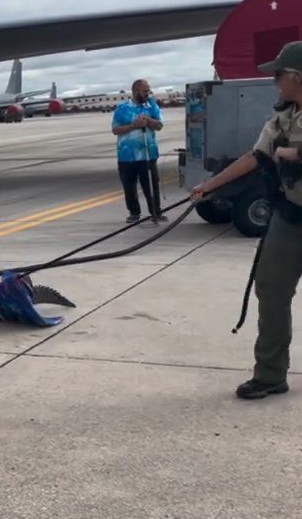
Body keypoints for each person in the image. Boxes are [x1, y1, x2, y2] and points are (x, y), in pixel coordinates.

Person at [191, 40, 302, 400]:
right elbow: (254, 157)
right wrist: (209, 186)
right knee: (270, 288)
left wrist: (295, 153)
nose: (274, 82)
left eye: (278, 75)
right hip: (292, 214)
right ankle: (270, 374)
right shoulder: (283, 115)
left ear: (297, 76)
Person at [111, 79, 166, 224]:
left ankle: (155, 212)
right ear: (136, 91)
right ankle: (134, 212)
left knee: (151, 185)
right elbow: (115, 129)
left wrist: (148, 120)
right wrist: (133, 125)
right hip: (126, 155)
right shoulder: (122, 108)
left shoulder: (151, 106)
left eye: (148, 90)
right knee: (129, 186)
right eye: (145, 90)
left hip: (148, 154)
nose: (148, 93)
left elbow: (159, 125)